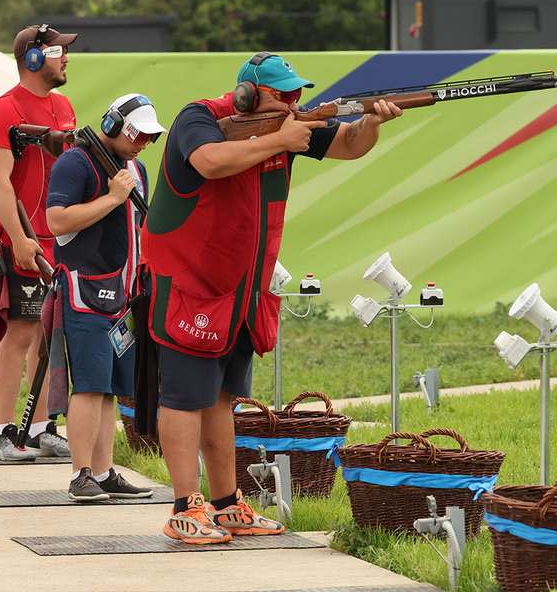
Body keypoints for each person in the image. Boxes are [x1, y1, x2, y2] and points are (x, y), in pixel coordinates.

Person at [141, 52, 403, 543]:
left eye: (297, 93)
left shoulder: (288, 123)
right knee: (182, 396)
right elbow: (209, 161)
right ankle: (184, 507)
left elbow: (349, 145)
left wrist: (370, 121)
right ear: (246, 96)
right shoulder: (199, 118)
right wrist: (280, 139)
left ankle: (224, 504)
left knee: (222, 397)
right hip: (189, 281)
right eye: (283, 94)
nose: (294, 101)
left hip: (241, 288)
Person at [46, 93, 164, 501]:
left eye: (149, 136)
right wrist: (112, 198)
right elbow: (56, 221)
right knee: (90, 386)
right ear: (114, 126)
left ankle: (104, 470)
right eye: (139, 134)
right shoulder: (75, 162)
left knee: (111, 386)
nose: (144, 142)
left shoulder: (136, 167)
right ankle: (81, 474)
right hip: (85, 288)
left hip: (121, 293)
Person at [0, 24, 77, 460]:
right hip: (21, 236)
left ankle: (40, 426)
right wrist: (20, 238)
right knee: (21, 331)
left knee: (48, 335)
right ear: (33, 58)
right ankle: (5, 429)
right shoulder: (3, 110)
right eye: (58, 51)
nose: (66, 58)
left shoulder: (63, 105)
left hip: (59, 236)